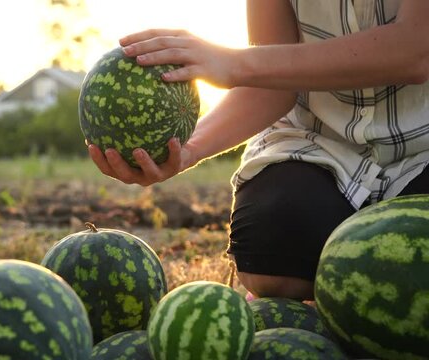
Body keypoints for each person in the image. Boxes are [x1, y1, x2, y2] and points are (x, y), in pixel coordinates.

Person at [87, 0, 429, 301]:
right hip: (319, 142)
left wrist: (233, 62)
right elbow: (269, 91)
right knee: (271, 263)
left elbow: (416, 49)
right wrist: (187, 150)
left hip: (423, 146)